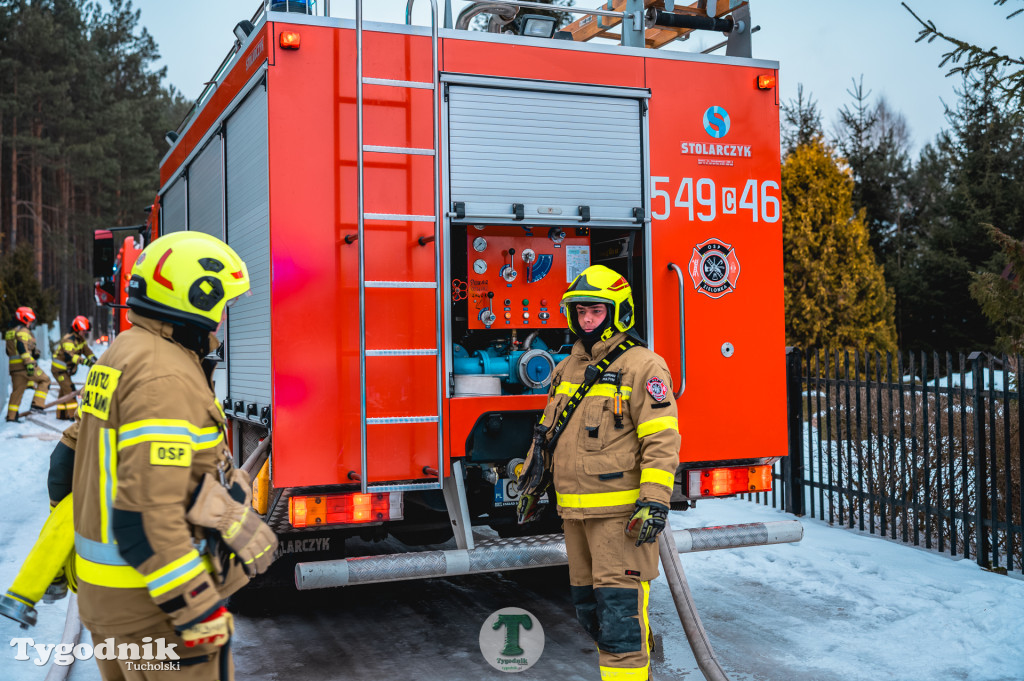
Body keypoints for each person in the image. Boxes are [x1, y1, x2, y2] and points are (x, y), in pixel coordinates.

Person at [72, 231, 277, 680]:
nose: (222, 320)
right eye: (220, 306)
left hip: (114, 601)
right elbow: (145, 518)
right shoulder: (164, 378)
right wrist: (196, 608)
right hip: (155, 611)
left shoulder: (122, 352)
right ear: (194, 302)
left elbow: (62, 466)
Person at [516, 264, 680, 681]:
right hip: (575, 517)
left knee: (620, 625)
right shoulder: (568, 367)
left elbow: (662, 441)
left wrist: (655, 501)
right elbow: (548, 431)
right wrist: (532, 483)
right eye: (580, 313)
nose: (587, 321)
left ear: (618, 312)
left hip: (621, 522)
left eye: (596, 312)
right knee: (592, 616)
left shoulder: (645, 367)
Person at [5, 305, 51, 421]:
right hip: (25, 366)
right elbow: (22, 347)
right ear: (24, 319)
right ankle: (37, 405)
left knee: (17, 392)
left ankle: (11, 416)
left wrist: (34, 352)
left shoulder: (10, 332)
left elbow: (9, 351)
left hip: (14, 369)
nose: (30, 324)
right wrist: (29, 362)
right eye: (30, 321)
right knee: (45, 380)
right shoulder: (23, 331)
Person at [51, 315, 97, 420]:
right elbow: (70, 355)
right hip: (59, 370)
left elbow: (87, 352)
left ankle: (61, 414)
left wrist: (96, 361)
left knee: (64, 390)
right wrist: (85, 362)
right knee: (70, 390)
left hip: (65, 370)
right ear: (77, 329)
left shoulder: (80, 339)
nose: (85, 333)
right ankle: (74, 416)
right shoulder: (69, 340)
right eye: (83, 331)